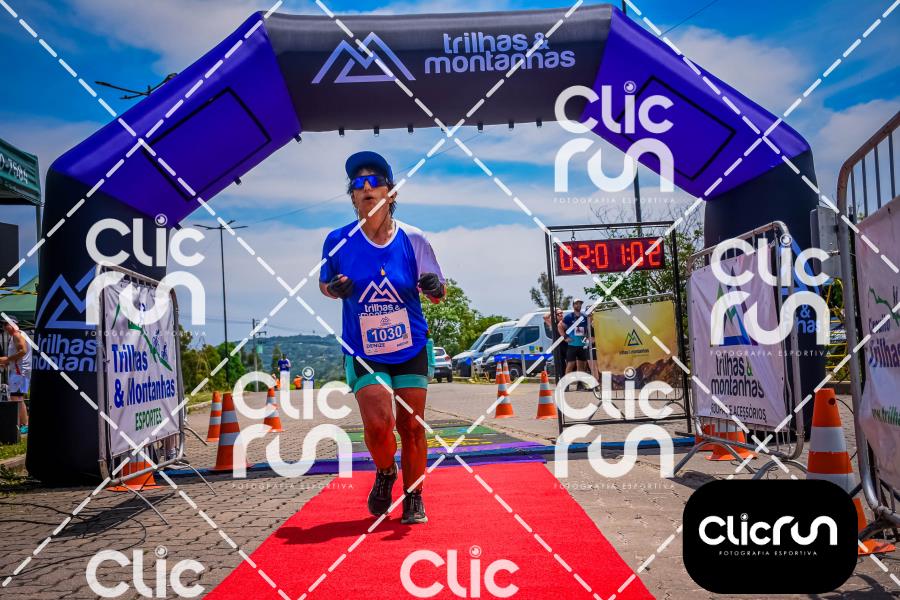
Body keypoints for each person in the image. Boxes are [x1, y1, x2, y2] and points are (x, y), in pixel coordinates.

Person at [320, 151, 445, 525]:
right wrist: (335, 289)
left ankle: (414, 496)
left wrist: (434, 287)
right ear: (352, 196)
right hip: (364, 348)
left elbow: (439, 293)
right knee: (378, 425)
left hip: (410, 345)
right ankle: (386, 471)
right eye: (358, 184)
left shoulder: (414, 238)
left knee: (412, 426)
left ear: (391, 193)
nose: (366, 187)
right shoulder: (337, 240)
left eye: (374, 181)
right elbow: (324, 285)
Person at [0, 317, 31, 434]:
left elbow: (23, 351)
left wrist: (7, 359)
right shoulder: (18, 334)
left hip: (20, 371)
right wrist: (7, 362)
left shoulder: (17, 335)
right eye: (3, 325)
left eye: (6, 325)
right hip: (20, 370)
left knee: (16, 398)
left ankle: (25, 424)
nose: (4, 327)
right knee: (17, 397)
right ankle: (22, 423)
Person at [559, 299, 590, 389]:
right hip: (572, 345)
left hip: (582, 345)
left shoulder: (584, 316)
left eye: (580, 304)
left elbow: (588, 328)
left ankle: (580, 385)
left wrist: (587, 337)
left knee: (581, 366)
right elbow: (560, 326)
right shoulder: (569, 317)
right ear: (573, 305)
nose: (578, 305)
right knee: (570, 365)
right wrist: (565, 337)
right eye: (576, 304)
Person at [543, 308, 567, 377]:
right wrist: (554, 310)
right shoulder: (553, 324)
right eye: (558, 314)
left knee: (570, 363)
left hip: (566, 345)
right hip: (557, 346)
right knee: (561, 365)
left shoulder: (565, 322)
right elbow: (545, 317)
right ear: (555, 315)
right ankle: (562, 378)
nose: (561, 315)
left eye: (561, 313)